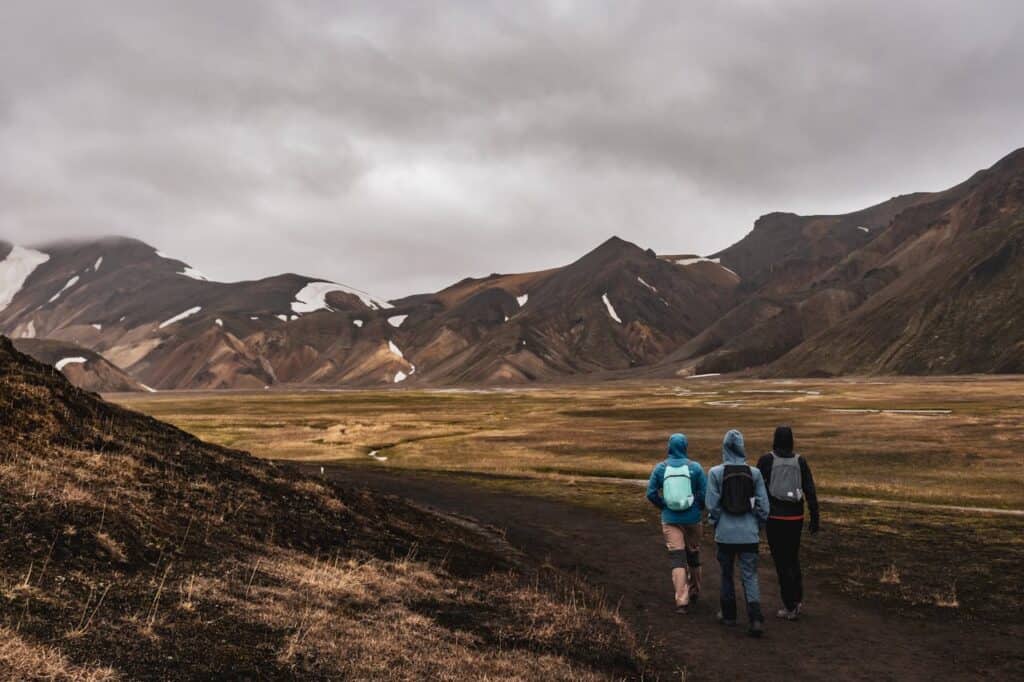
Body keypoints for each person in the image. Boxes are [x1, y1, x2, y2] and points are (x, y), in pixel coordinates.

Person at [705, 429, 769, 637]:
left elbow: (712, 505)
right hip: (749, 533)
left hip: (725, 533)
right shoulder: (755, 474)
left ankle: (729, 614)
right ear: (743, 447)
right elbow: (764, 507)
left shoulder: (715, 473)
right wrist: (757, 524)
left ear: (724, 447)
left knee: (726, 574)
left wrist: (715, 522)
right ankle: (755, 618)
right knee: (749, 575)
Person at [757, 426, 820, 621]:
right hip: (795, 518)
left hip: (775, 518)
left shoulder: (766, 460)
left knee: (781, 561)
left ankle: (789, 604)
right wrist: (815, 516)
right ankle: (797, 599)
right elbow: (809, 489)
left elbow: (757, 488)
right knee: (792, 558)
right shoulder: (800, 461)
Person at [646, 433, 707, 613]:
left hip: (670, 519)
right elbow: (704, 493)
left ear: (669, 447)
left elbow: (650, 493)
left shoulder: (660, 468)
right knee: (693, 555)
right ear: (685, 447)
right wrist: (696, 507)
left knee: (677, 558)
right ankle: (695, 590)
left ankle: (682, 601)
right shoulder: (695, 468)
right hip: (693, 519)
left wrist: (664, 506)